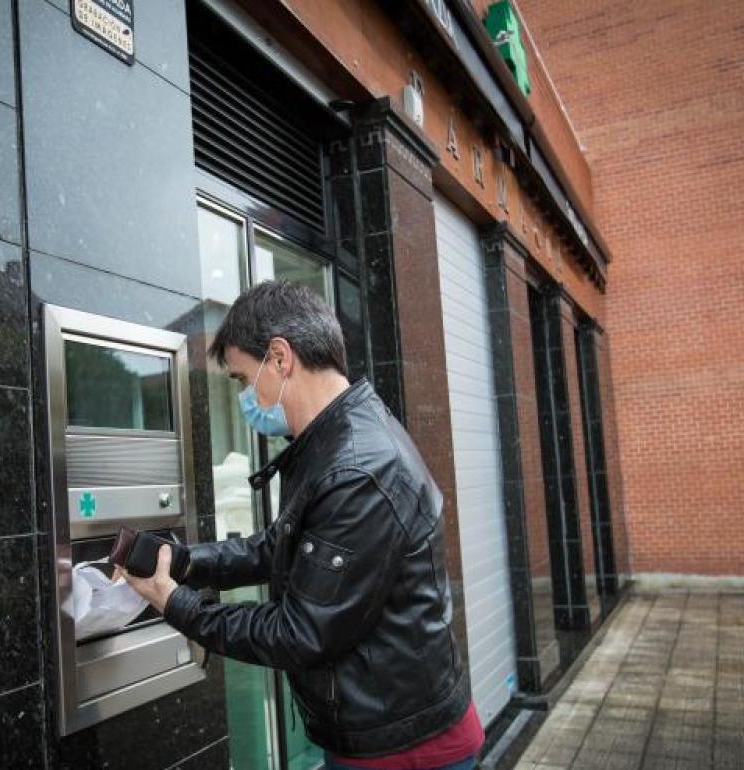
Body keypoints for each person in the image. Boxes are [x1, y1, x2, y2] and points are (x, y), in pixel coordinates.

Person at [123, 281, 484, 769]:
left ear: (279, 358)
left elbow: (300, 633)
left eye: (240, 378)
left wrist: (177, 604)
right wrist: (185, 562)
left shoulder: (359, 468)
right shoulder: (330, 443)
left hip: (405, 748)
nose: (243, 397)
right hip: (377, 728)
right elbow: (279, 547)